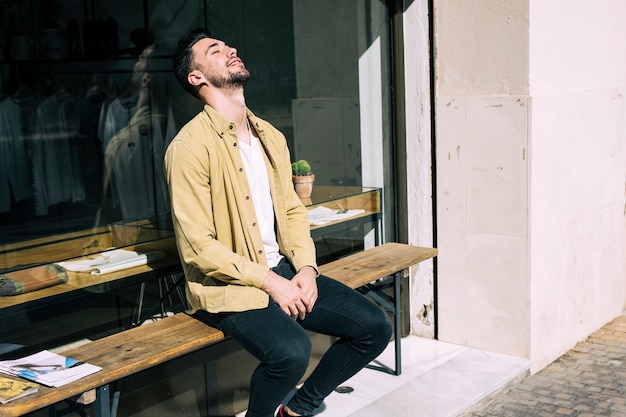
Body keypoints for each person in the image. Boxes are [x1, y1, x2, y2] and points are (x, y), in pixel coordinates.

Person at [164, 28, 392, 417]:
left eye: (228, 45)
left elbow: (290, 211)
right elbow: (198, 246)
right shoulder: (188, 148)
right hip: (230, 284)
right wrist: (272, 283)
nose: (230, 49)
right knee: (291, 352)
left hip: (283, 269)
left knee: (374, 326)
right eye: (215, 50)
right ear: (196, 77)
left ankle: (299, 409)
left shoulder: (269, 135)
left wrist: (305, 267)